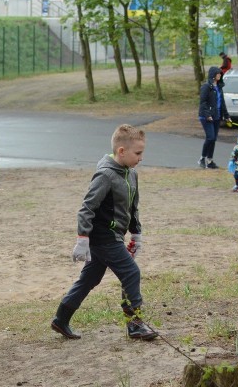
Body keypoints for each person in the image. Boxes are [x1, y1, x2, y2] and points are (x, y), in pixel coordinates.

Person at [50, 124, 158, 342]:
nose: (141, 157)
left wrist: (136, 235)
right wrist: (82, 239)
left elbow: (133, 207)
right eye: (138, 153)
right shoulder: (105, 175)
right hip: (103, 237)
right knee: (131, 273)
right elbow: (86, 208)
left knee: (89, 278)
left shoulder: (131, 174)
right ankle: (135, 324)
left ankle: (61, 319)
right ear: (121, 151)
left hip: (114, 237)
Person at [198, 66, 231, 169]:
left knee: (214, 139)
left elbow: (222, 103)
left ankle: (210, 160)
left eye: (220, 73)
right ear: (213, 75)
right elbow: (203, 102)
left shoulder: (219, 87)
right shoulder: (206, 87)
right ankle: (202, 158)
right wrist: (207, 115)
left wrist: (226, 116)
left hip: (216, 116)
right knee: (210, 137)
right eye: (218, 73)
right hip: (206, 117)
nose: (220, 75)